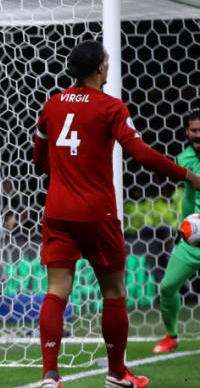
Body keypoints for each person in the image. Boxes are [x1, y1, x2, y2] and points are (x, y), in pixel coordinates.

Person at [32, 40, 200, 388]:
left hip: (58, 211)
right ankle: (117, 374)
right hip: (97, 212)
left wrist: (65, 175)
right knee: (114, 291)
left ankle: (50, 376)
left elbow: (39, 161)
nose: (108, 66)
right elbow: (139, 154)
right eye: (106, 62)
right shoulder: (110, 107)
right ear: (99, 69)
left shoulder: (51, 106)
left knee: (57, 290)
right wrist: (188, 176)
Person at [152, 109, 200, 354]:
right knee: (168, 287)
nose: (197, 135)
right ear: (186, 132)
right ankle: (171, 335)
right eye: (193, 130)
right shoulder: (184, 158)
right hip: (192, 239)